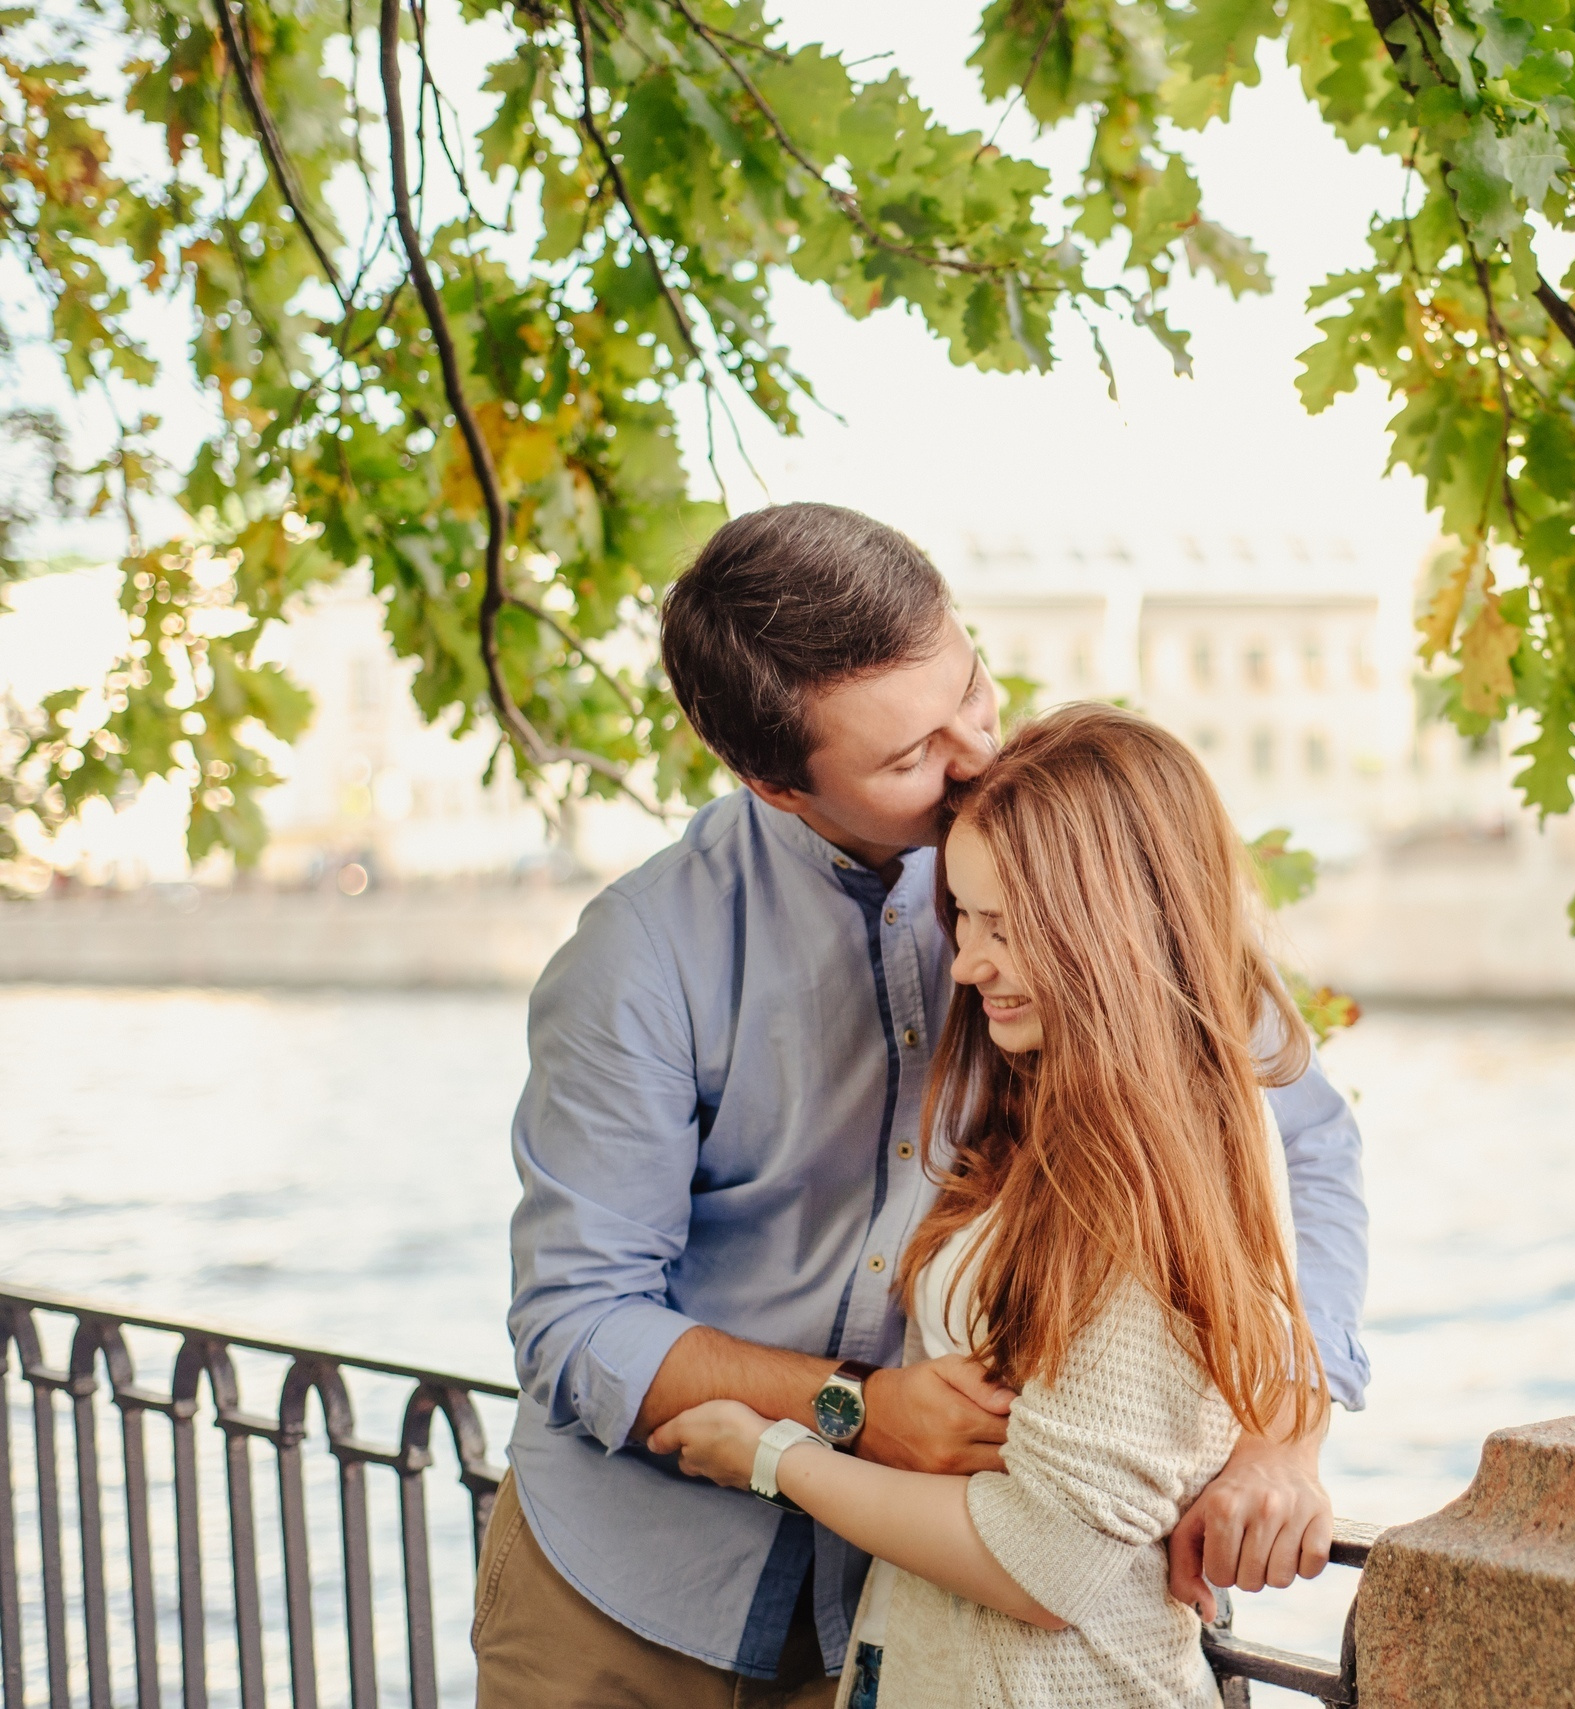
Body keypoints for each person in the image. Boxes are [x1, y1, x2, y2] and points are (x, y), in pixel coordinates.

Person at [475, 507, 1370, 1708]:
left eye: (974, 693)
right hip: (632, 1601)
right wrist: (854, 1410)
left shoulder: (1078, 873)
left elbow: (1289, 1146)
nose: (968, 760)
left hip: (933, 1605)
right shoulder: (642, 958)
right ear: (776, 784)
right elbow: (577, 1322)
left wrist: (1281, 1434)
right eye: (905, 759)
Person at [651, 704, 1325, 1708]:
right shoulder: (1061, 1111)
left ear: (1112, 922)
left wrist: (773, 1454)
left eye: (1005, 926)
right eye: (962, 916)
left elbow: (1044, 1565)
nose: (966, 961)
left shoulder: (1143, 1167)